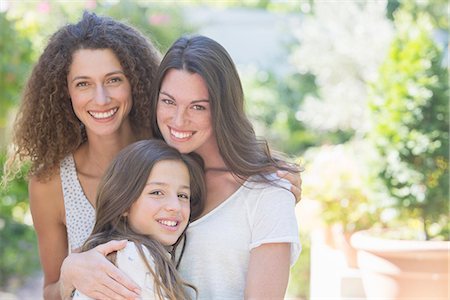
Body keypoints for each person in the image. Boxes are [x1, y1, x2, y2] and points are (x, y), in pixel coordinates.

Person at [5, 12, 302, 300]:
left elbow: (226, 158)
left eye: (114, 80)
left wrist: (270, 177)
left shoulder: (171, 154)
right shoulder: (52, 182)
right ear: (63, 91)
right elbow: (51, 291)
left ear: (136, 82)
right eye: (83, 83)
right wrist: (70, 271)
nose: (101, 98)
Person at [147, 35, 302, 299]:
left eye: (197, 107)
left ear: (223, 108)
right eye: (168, 101)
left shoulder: (267, 192)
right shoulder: (146, 173)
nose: (178, 119)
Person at [72, 139, 205, 300]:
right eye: (157, 192)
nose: (175, 206)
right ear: (124, 204)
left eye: (182, 195)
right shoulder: (133, 256)